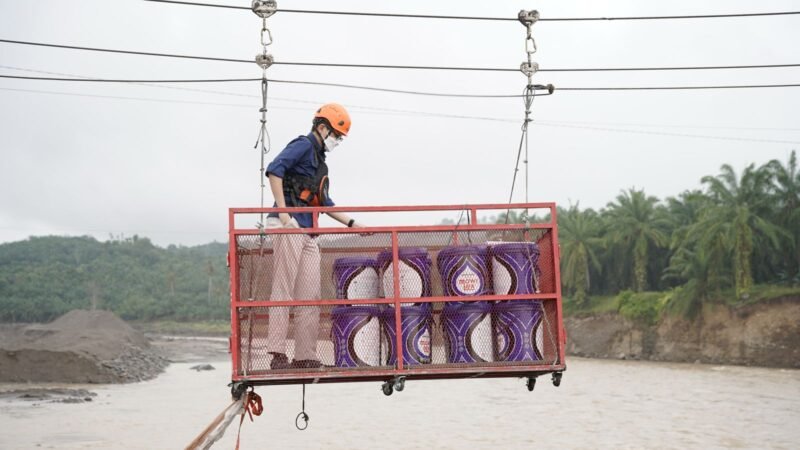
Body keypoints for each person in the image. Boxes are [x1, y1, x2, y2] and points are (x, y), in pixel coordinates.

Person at [264, 103, 363, 370]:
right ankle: (276, 353)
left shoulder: (321, 164)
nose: (337, 142)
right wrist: (285, 216)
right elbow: (275, 169)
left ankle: (305, 355)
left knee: (310, 294)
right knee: (283, 290)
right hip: (289, 225)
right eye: (336, 136)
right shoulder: (303, 145)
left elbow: (325, 203)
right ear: (322, 128)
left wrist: (354, 224)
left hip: (308, 232)